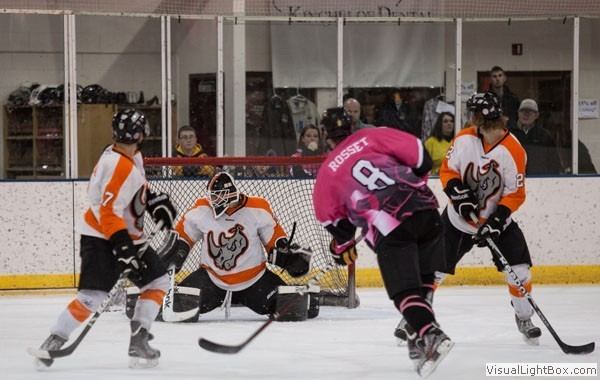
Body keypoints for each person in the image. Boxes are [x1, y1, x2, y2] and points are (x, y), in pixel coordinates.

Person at [312, 107, 453, 377]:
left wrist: (341, 249)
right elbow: (422, 158)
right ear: (351, 125)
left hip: (391, 228)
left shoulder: (327, 174)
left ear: (325, 135)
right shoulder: (372, 136)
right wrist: (411, 192)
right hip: (427, 212)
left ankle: (431, 335)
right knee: (422, 284)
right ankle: (418, 338)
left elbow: (340, 233)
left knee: (404, 292)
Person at [31, 109, 177, 369]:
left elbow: (133, 191)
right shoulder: (119, 165)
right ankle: (53, 342)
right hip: (102, 237)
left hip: (127, 236)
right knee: (92, 298)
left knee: (157, 281)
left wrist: (152, 202)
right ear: (142, 134)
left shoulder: (128, 156)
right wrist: (122, 248)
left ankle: (139, 339)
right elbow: (109, 211)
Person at [438, 92, 541, 344]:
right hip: (457, 222)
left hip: (497, 224)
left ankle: (524, 316)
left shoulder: (513, 150)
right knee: (432, 269)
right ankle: (414, 316)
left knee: (519, 272)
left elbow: (515, 194)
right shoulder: (465, 139)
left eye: (472, 114)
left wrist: (496, 221)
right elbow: (447, 170)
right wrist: (458, 195)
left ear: (479, 118)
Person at [158, 171, 318, 322]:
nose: (212, 201)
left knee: (294, 308)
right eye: (211, 196)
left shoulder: (258, 208)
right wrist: (175, 253)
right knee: (173, 307)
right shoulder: (202, 208)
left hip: (255, 281)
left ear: (227, 195)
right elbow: (181, 237)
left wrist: (289, 258)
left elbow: (276, 242)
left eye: (216, 197)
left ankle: (307, 297)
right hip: (212, 280)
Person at [507, 99, 562, 175]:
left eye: (529, 112)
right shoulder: (508, 134)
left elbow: (554, 163)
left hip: (539, 181)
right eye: (523, 111)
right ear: (518, 113)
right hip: (514, 180)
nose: (526, 115)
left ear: (537, 115)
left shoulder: (544, 135)